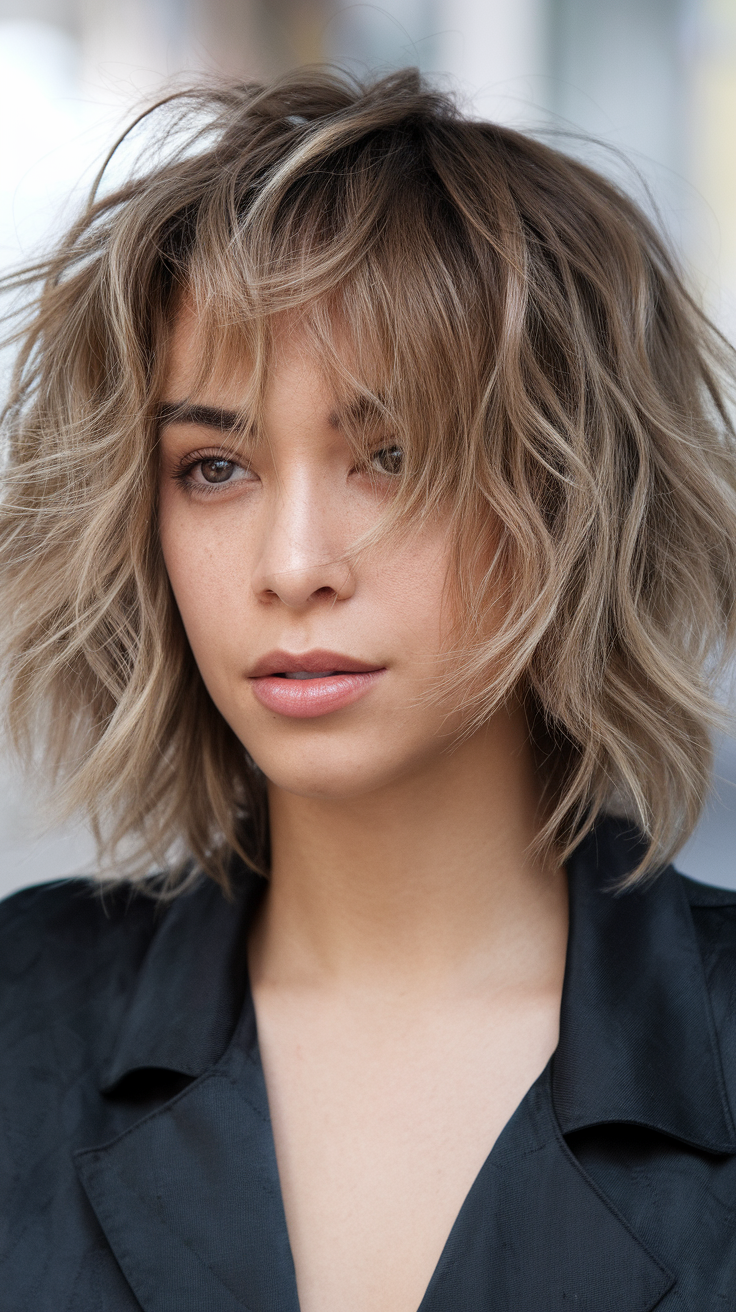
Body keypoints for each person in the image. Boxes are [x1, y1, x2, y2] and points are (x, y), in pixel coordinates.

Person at [1, 66, 736, 1312]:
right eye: (216, 465)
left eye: (389, 456)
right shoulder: (22, 1017)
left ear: (572, 488)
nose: (293, 567)